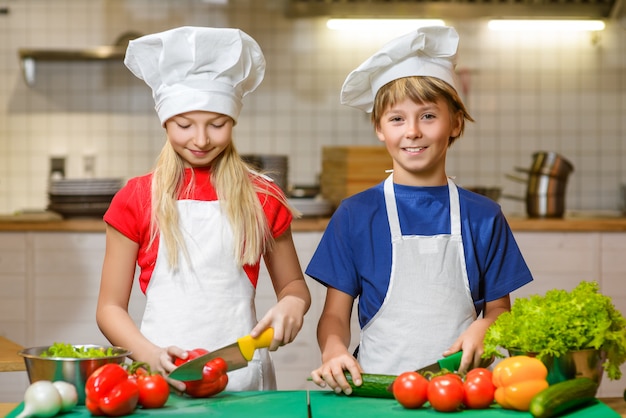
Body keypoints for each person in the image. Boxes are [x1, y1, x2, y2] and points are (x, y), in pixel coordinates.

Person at [307, 26, 533, 395]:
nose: (412, 131)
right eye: (397, 119)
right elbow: (334, 314)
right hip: (376, 390)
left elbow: (499, 309)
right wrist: (333, 349)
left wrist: (485, 326)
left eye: (428, 116)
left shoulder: (484, 216)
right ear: (379, 128)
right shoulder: (356, 214)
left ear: (455, 123)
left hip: (462, 392)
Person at [96, 26, 311, 393]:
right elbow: (109, 308)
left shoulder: (261, 196)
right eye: (184, 124)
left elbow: (294, 286)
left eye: (217, 124)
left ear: (234, 121)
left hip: (243, 379)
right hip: (161, 376)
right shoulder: (137, 197)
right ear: (165, 122)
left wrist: (293, 304)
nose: (200, 139)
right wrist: (147, 353)